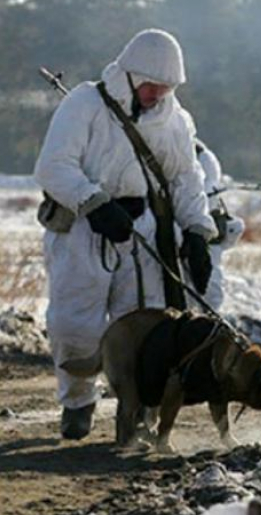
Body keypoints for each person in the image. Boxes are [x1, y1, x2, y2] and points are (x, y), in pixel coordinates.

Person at [34, 29, 216, 440]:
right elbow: (53, 166)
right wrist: (93, 201)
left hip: (142, 232)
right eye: (152, 84)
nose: (157, 94)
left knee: (142, 327)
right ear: (131, 75)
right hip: (84, 227)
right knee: (73, 323)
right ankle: (78, 401)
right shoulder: (84, 105)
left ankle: (136, 408)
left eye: (166, 87)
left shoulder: (176, 121)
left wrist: (197, 231)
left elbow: (187, 179)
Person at [194, 139, 246, 310]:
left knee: (210, 293)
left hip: (207, 235)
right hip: (196, 231)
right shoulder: (196, 154)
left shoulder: (202, 157)